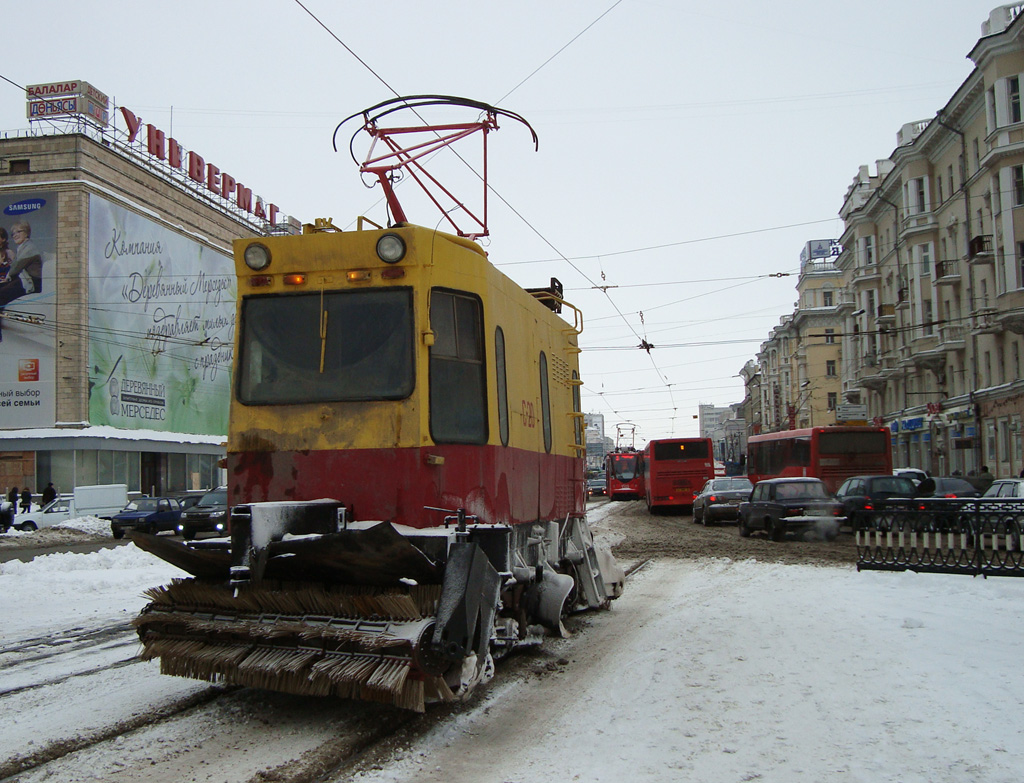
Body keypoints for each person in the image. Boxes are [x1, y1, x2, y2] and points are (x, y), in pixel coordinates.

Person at [0, 220, 43, 343]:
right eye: (13, 233)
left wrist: (7, 278)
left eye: (19, 231)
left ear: (27, 233)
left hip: (30, 283)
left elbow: (15, 268)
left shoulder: (29, 248)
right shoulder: (23, 247)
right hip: (24, 280)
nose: (15, 235)